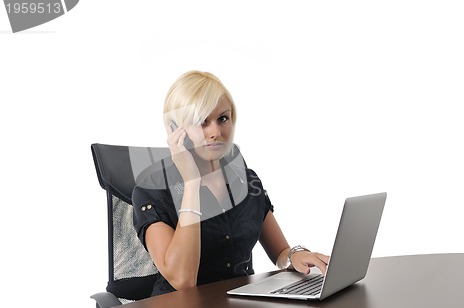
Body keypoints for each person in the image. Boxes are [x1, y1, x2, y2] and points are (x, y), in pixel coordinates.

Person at [132, 70, 329, 296]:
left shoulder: (245, 180)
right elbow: (183, 281)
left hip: (241, 307)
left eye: (222, 118)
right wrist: (192, 183)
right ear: (176, 130)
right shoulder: (152, 190)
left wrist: (296, 255)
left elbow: (281, 253)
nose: (215, 132)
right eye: (202, 122)